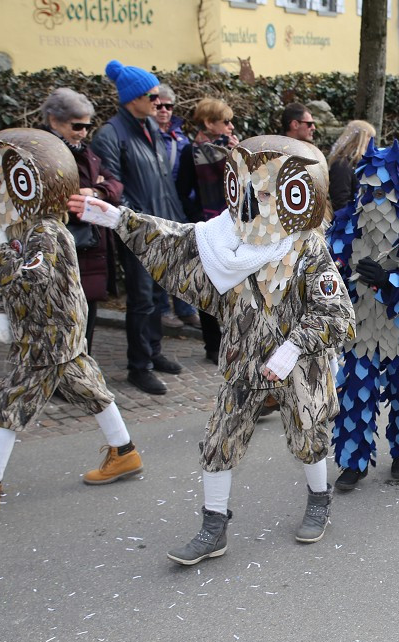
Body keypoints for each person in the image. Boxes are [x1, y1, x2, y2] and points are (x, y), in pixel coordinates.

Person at [72, 134, 356, 563]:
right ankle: (213, 526)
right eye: (249, 188)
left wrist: (293, 347)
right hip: (243, 361)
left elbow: (338, 313)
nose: (254, 201)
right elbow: (177, 239)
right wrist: (118, 219)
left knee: (308, 434)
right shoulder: (226, 240)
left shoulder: (307, 249)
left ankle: (319, 498)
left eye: (266, 192)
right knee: (220, 438)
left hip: (299, 363)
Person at [0, 129, 142, 523]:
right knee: (89, 388)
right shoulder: (18, 229)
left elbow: (31, 279)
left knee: (10, 401)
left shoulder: (47, 232)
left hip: (51, 334)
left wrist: (0, 249)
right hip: (40, 331)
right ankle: (123, 453)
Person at [328, 140, 399, 488]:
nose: (374, 199)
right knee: (354, 392)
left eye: (383, 191)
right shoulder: (347, 224)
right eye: (368, 189)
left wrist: (390, 280)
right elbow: (330, 269)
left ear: (398, 188)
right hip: (361, 326)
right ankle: (354, 461)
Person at [91, 60, 185, 396]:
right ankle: (139, 365)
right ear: (134, 99)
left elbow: (162, 180)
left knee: (159, 294)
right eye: (153, 96)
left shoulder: (151, 130)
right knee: (142, 297)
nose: (160, 103)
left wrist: (174, 221)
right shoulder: (111, 134)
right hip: (138, 230)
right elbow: (114, 186)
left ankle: (154, 352)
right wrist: (139, 223)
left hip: (163, 226)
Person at [39, 88, 123, 355]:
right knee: (62, 313)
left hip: (92, 244)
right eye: (77, 125)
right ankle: (65, 370)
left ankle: (81, 367)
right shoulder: (45, 152)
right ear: (54, 121)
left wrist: (96, 192)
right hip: (66, 243)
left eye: (87, 126)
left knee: (87, 311)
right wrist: (90, 193)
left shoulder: (86, 152)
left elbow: (115, 184)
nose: (83, 132)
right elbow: (58, 198)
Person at [174, 97, 239, 366]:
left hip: (236, 224)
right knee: (210, 286)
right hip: (210, 226)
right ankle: (213, 345)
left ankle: (236, 340)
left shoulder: (236, 147)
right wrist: (198, 218)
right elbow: (181, 189)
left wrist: (239, 155)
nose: (230, 126)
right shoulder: (192, 151)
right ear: (209, 123)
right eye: (225, 121)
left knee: (236, 284)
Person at [154, 83, 200, 331]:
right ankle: (163, 310)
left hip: (178, 207)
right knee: (159, 259)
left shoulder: (180, 138)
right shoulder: (150, 136)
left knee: (182, 259)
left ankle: (185, 308)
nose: (163, 110)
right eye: (159, 105)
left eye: (168, 106)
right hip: (154, 206)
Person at [327, 119, 376, 212]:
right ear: (359, 138)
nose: (371, 141)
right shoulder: (342, 164)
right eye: (369, 136)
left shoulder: (358, 163)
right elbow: (341, 201)